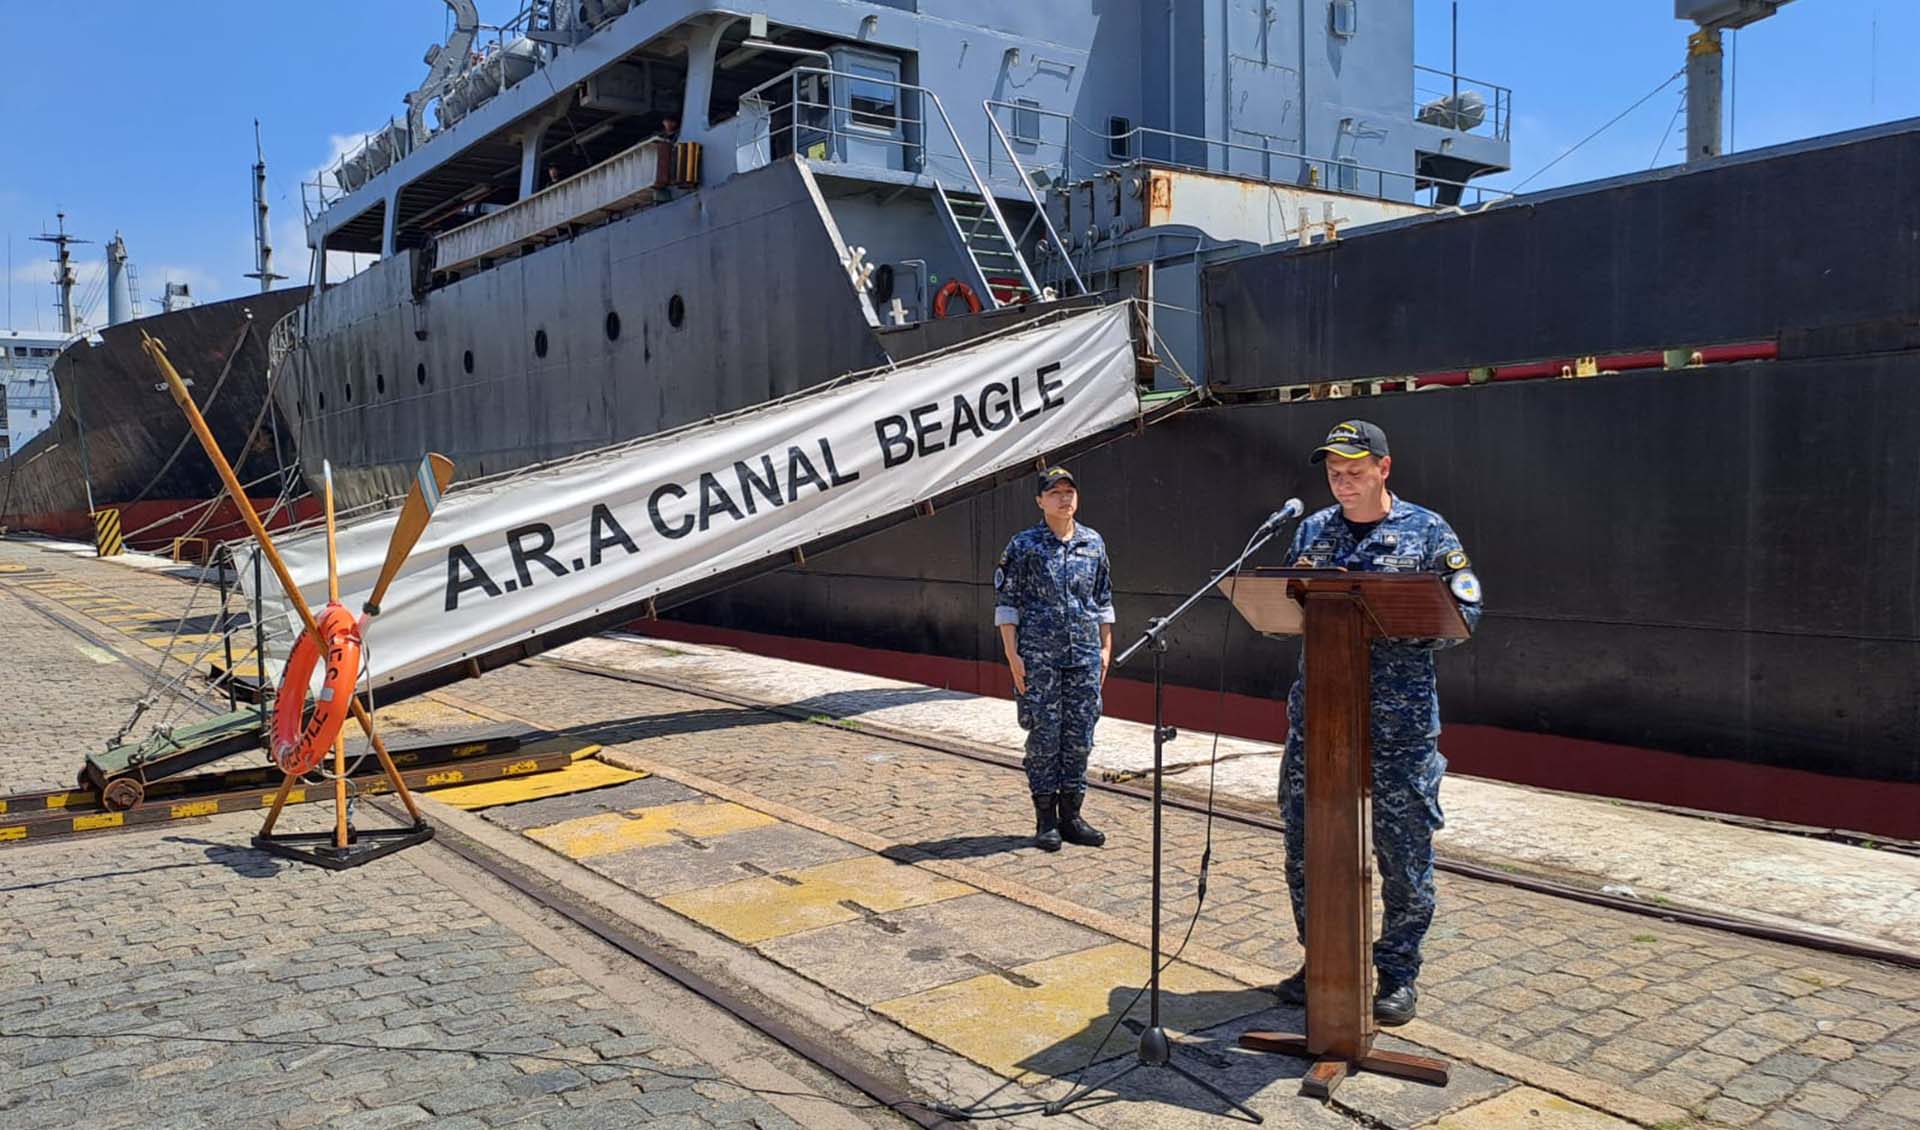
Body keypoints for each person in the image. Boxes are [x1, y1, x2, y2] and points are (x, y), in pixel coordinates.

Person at [1270, 420, 1481, 1026]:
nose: (1342, 483)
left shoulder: (1428, 531)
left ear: (1384, 469)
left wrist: (1402, 615)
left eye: (1354, 472)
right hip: (1320, 722)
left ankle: (1397, 973)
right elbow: (1286, 604)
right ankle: (1325, 962)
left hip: (1400, 727)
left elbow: (1469, 610)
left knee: (1403, 855)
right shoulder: (1311, 530)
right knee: (1306, 848)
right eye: (1334, 473)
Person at [993, 466, 1115, 851]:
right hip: (1039, 659)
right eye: (1056, 493)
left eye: (1069, 492)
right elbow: (1007, 604)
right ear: (1040, 501)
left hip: (1084, 658)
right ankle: (1045, 818)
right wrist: (1013, 656)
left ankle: (1072, 816)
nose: (1065, 499)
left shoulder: (1093, 543)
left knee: (1080, 736)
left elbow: (1102, 600)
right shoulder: (1024, 546)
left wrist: (1105, 647)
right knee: (1045, 736)